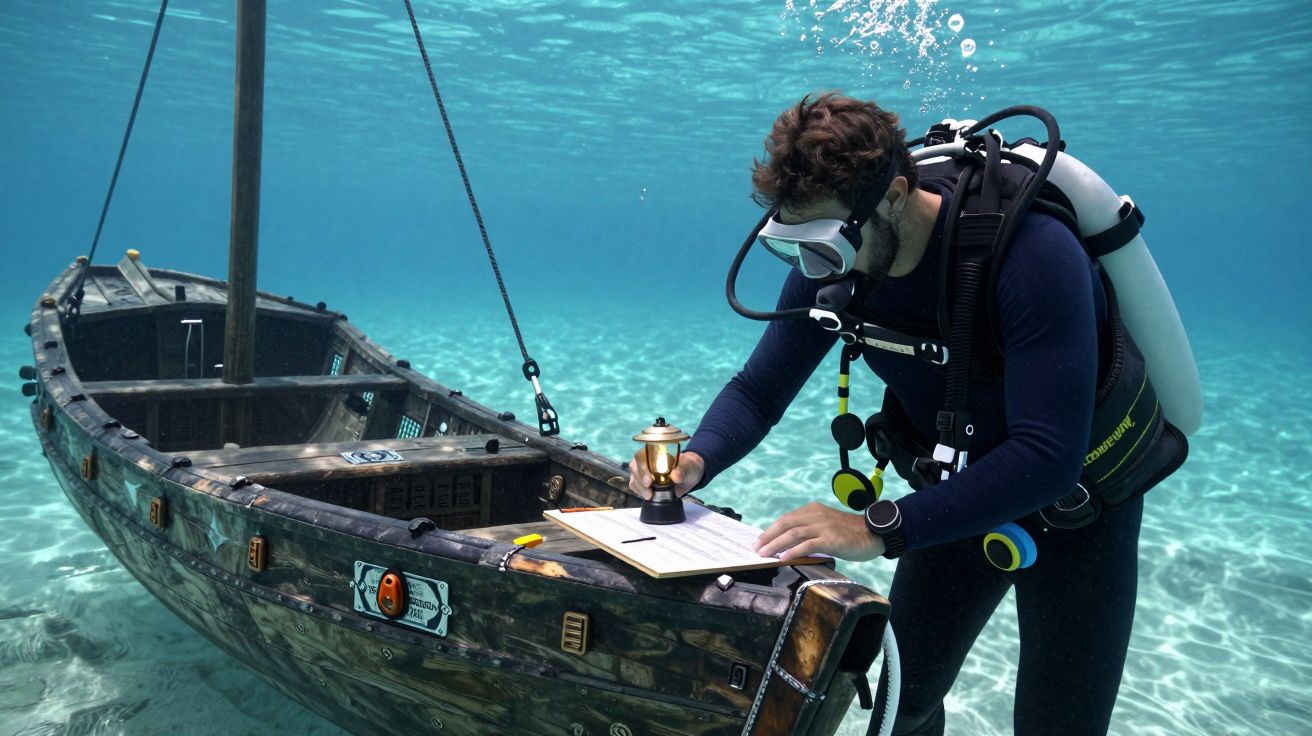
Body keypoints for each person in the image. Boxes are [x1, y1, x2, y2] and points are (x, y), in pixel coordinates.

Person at [628, 92, 1175, 735]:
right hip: (953, 495)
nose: (810, 266)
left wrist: (874, 530)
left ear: (891, 195)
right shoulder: (832, 258)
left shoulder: (1029, 254)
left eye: (823, 244)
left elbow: (1048, 454)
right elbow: (758, 389)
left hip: (1079, 506)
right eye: (792, 245)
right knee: (900, 706)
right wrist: (698, 458)